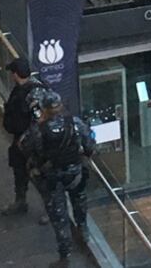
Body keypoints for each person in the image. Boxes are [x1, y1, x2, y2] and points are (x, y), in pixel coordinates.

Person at [20, 91, 97, 265]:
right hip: (75, 172)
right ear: (60, 106)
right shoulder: (74, 123)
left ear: (45, 109)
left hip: (52, 177)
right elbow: (90, 143)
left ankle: (65, 255)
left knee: (59, 216)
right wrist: (86, 155)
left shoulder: (39, 129)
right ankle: (83, 229)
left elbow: (25, 147)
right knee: (79, 199)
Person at [1, 57, 48, 218]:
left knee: (39, 175)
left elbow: (40, 120)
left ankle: (49, 209)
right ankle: (20, 201)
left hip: (32, 143)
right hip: (19, 139)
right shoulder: (20, 89)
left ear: (16, 74)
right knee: (19, 171)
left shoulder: (35, 92)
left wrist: (27, 139)